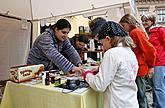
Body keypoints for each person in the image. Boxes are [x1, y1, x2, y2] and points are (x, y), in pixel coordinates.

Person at [82, 21, 139, 108]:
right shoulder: (130, 52)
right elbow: (122, 72)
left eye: (102, 43)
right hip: (130, 102)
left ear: (108, 39)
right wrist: (101, 68)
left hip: (116, 104)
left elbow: (99, 85)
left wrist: (86, 74)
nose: (103, 47)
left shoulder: (111, 53)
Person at [119, 14, 156, 108]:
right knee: (140, 95)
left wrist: (151, 66)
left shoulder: (135, 32)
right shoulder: (135, 31)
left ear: (129, 23)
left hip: (139, 68)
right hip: (138, 67)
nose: (123, 28)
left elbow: (149, 49)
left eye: (123, 25)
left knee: (141, 95)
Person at [141, 14, 165, 108]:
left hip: (159, 62)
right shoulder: (146, 32)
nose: (144, 22)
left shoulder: (159, 30)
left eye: (146, 20)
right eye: (143, 20)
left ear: (152, 21)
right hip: (150, 63)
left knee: (158, 87)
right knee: (154, 87)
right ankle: (157, 104)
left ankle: (161, 106)